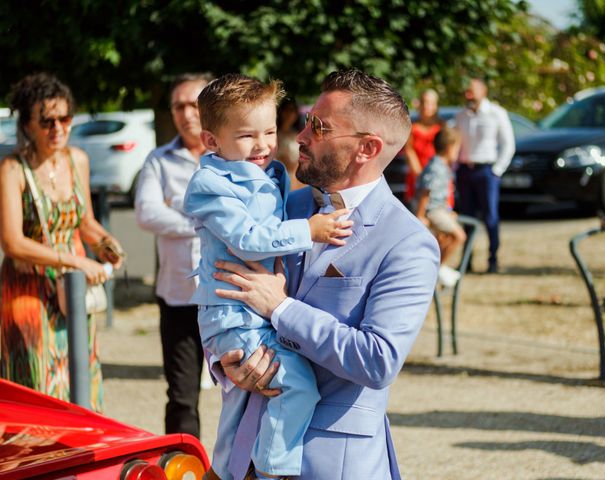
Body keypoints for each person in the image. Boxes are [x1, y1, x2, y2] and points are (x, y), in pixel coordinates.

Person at [210, 69, 440, 480]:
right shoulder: (283, 206)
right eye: (305, 120)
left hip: (331, 461)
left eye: (318, 127)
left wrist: (281, 308)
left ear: (367, 148)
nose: (299, 136)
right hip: (243, 452)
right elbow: (227, 287)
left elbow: (377, 360)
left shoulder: (407, 242)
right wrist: (225, 363)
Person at [183, 73, 353, 480]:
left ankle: (225, 469)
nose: (262, 145)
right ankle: (273, 469)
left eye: (271, 131)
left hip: (247, 312)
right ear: (211, 141)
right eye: (246, 136)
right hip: (234, 313)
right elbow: (247, 239)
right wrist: (308, 231)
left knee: (241, 403)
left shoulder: (269, 171)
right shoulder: (211, 184)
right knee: (296, 386)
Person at [0, 73, 123, 411]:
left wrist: (108, 245)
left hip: (71, 289)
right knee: (36, 380)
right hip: (28, 288)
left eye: (65, 118)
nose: (58, 128)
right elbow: (12, 243)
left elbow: (84, 222)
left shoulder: (76, 159)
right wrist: (76, 261)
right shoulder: (12, 169)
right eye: (47, 121)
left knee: (80, 372)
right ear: (27, 124)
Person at [135, 72, 213, 438]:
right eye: (178, 105)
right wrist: (206, 221)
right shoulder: (159, 161)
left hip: (230, 296)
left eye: (194, 104)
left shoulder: (232, 156)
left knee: (245, 394)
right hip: (179, 297)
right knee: (182, 397)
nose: (186, 114)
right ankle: (183, 469)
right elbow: (147, 213)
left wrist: (177, 210)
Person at [455, 76, 515, 274]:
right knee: (466, 217)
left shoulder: (496, 113)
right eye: (466, 90)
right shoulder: (461, 116)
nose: (468, 94)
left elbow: (508, 144)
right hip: (465, 171)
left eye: (472, 90)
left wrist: (496, 171)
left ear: (483, 91)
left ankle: (493, 260)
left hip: (486, 171)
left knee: (490, 218)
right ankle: (467, 261)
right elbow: (456, 145)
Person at [415, 125, 466, 287]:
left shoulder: (441, 166)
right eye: (457, 150)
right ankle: (437, 269)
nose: (457, 154)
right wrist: (420, 215)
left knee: (443, 240)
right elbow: (426, 191)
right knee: (459, 236)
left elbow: (440, 193)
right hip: (432, 211)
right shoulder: (436, 166)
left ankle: (438, 268)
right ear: (450, 148)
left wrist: (448, 211)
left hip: (440, 209)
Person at [403, 89, 442, 206]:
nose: (427, 106)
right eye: (424, 102)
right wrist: (421, 177)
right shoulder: (412, 128)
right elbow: (409, 151)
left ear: (435, 106)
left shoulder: (442, 128)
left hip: (437, 176)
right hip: (416, 176)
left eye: (431, 103)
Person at [276, 98, 305, 191]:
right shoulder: (273, 133)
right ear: (281, 112)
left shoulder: (299, 134)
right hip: (279, 178)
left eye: (292, 110)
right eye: (287, 110)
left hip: (298, 178)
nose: (289, 114)